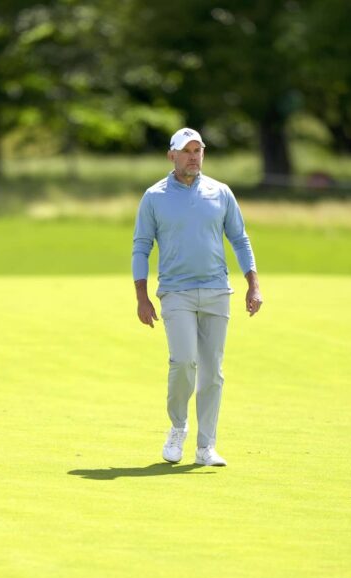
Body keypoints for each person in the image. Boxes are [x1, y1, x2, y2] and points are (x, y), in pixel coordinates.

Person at [132, 128, 262, 467]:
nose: (193, 156)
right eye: (187, 151)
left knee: (213, 372)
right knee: (184, 362)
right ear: (171, 156)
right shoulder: (154, 196)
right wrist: (141, 297)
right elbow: (141, 246)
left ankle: (206, 446)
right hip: (176, 292)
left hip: (217, 290)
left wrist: (254, 284)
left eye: (198, 150)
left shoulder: (220, 193)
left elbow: (240, 239)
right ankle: (178, 427)